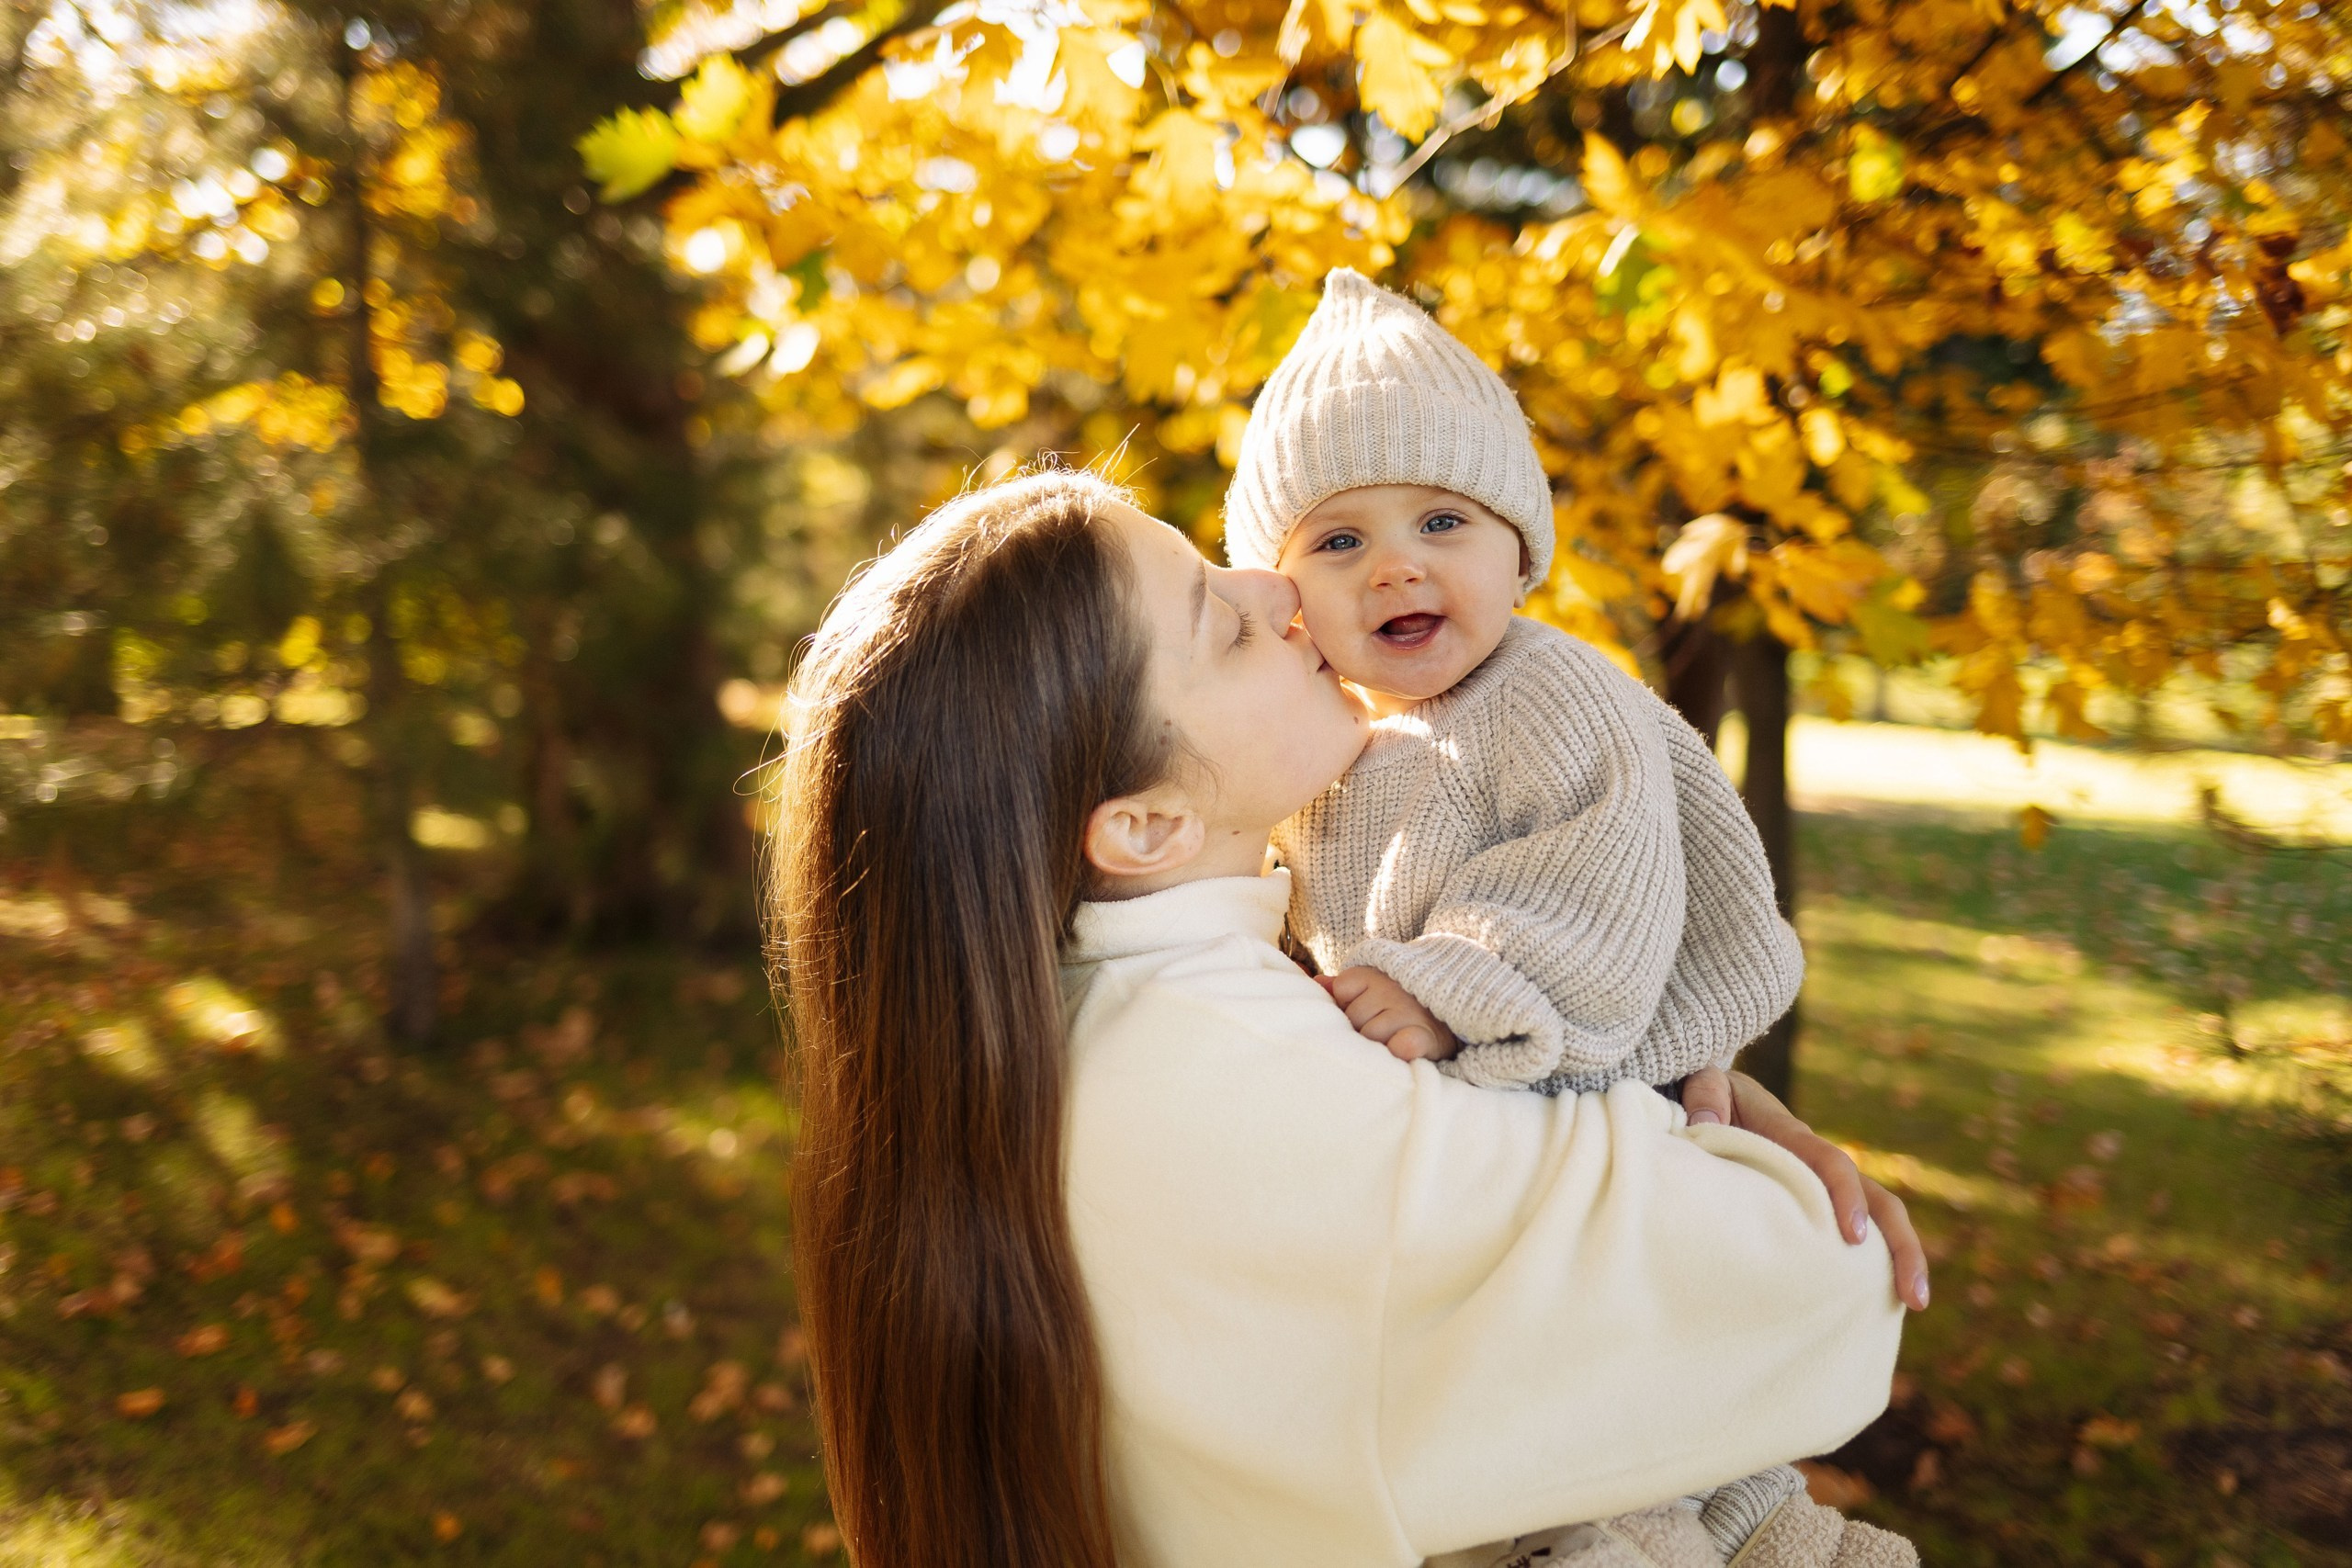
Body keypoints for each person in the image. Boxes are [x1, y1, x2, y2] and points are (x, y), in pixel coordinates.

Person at [769, 468, 1926, 1568]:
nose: (1278, 589)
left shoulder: (1095, 1033)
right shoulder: (1248, 1084)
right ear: (1146, 827)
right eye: (1220, 623)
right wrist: (1693, 1121)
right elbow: (1822, 1289)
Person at [1220, 268, 1917, 1565]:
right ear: (1286, 593)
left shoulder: (1547, 694)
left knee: (1611, 1458)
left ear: (1518, 548)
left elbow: (1603, 877)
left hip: (1563, 1113)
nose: (1397, 565)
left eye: (1441, 519)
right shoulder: (1333, 755)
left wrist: (1449, 981)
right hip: (1474, 1175)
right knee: (1651, 1453)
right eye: (1338, 540)